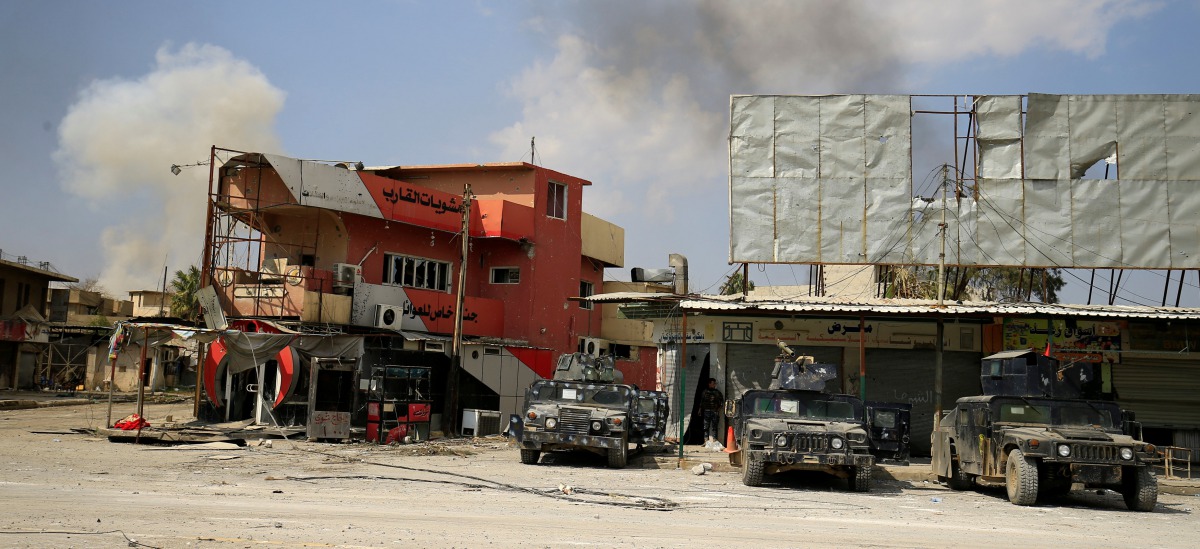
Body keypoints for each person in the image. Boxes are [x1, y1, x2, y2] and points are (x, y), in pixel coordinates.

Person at [700, 378, 724, 443]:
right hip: (706, 411)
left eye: (715, 384)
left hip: (714, 412)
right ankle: (706, 441)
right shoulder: (705, 392)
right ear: (709, 384)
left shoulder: (717, 393)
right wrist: (699, 410)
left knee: (714, 427)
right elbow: (701, 402)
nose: (714, 385)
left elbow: (722, 403)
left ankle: (715, 441)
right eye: (713, 383)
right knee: (706, 427)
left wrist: (717, 410)